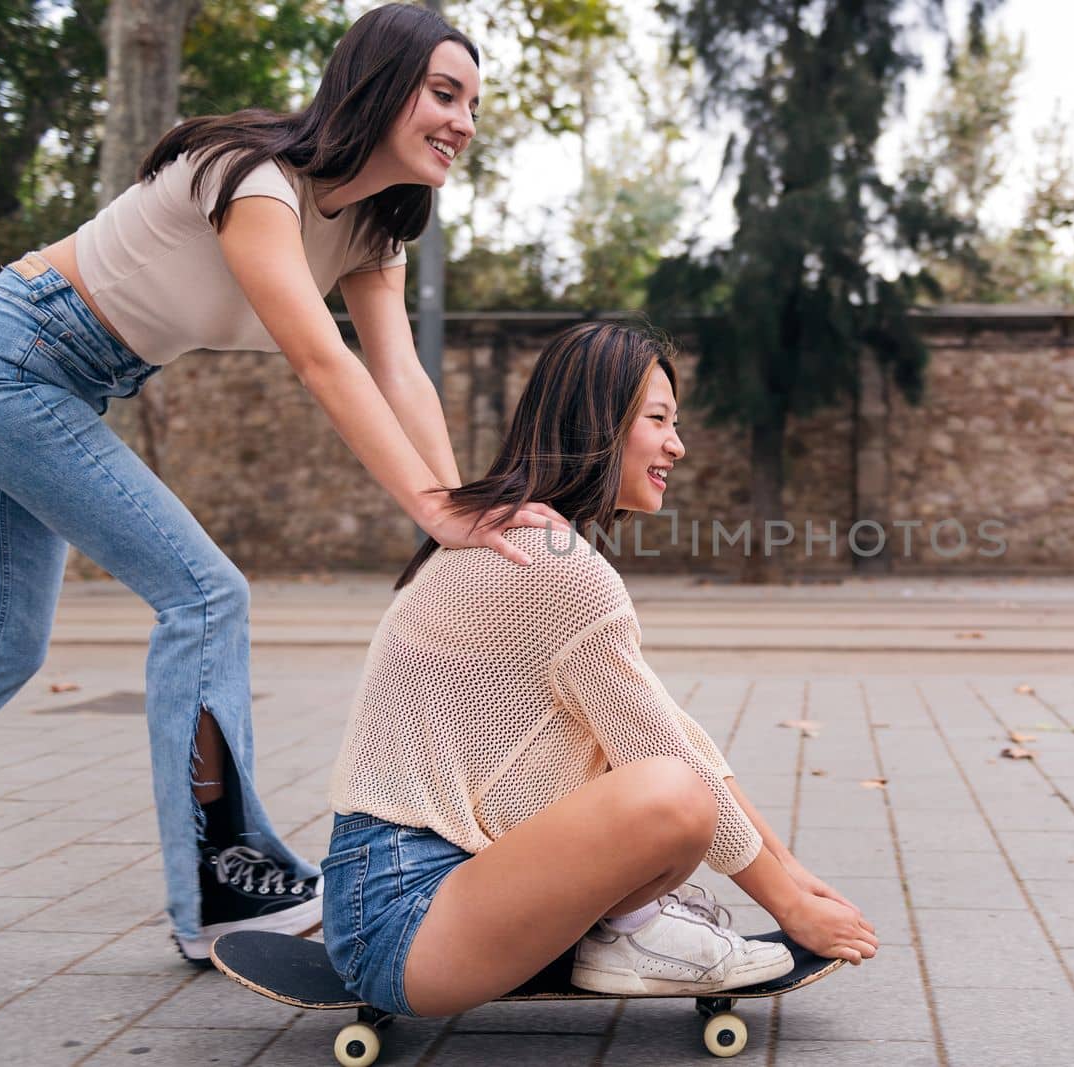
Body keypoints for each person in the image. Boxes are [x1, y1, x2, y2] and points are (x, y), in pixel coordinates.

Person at [0, 5, 562, 962]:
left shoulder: (373, 228)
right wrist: (429, 509)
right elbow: (320, 359)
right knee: (205, 595)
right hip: (8, 356)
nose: (463, 120)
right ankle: (224, 884)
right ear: (378, 84)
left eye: (473, 105)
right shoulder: (253, 177)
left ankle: (225, 882)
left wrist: (461, 516)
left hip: (53, 380)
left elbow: (398, 372)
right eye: (443, 93)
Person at [323, 322, 879, 1018]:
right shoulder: (550, 565)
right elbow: (668, 758)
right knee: (674, 795)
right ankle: (630, 930)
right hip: (404, 921)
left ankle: (624, 927)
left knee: (669, 767)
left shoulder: (509, 534)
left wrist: (798, 876)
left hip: (403, 895)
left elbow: (673, 727)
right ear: (598, 421)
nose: (677, 444)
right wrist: (792, 907)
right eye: (658, 420)